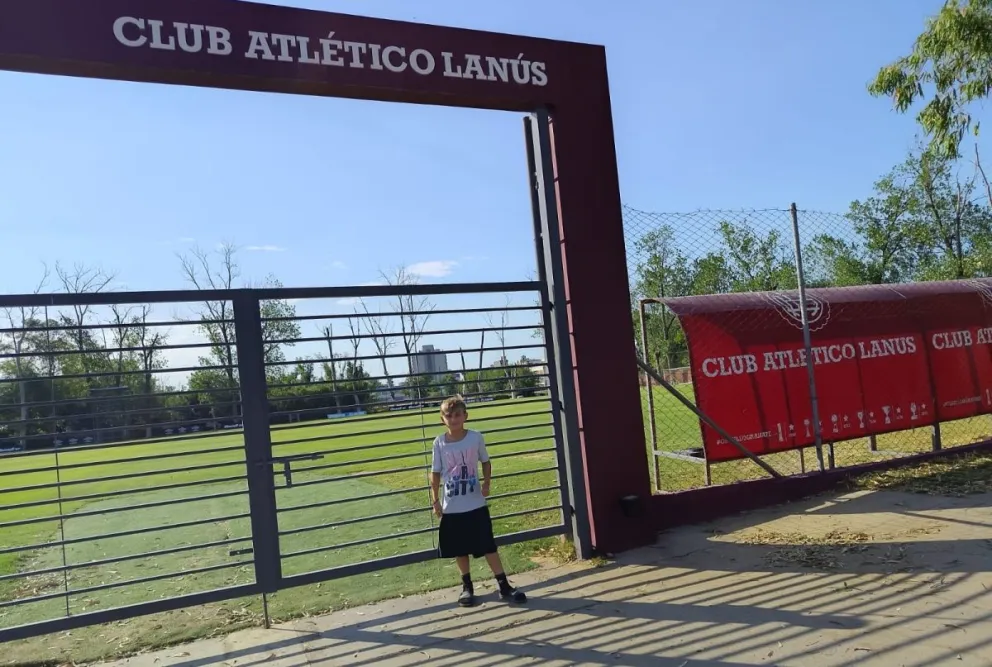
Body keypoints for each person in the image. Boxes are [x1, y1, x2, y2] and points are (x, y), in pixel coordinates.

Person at [430, 394, 527, 607]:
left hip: (475, 504)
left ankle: (503, 585)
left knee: (488, 546)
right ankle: (467, 587)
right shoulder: (439, 443)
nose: (453, 419)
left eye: (457, 415)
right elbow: (435, 473)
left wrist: (486, 484)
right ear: (442, 419)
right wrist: (435, 500)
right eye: (449, 416)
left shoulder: (475, 437)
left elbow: (486, 461)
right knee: (459, 549)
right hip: (452, 507)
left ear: (465, 416)